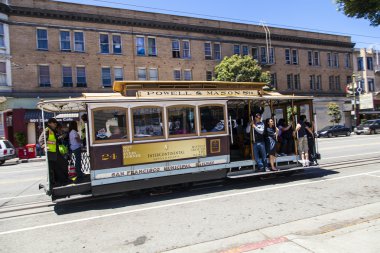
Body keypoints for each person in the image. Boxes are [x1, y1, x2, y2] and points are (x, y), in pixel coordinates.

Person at [38, 118, 69, 188]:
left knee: (58, 167)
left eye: (56, 123)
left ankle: (60, 181)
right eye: (54, 123)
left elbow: (54, 141)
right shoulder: (47, 130)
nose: (55, 124)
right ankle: (52, 183)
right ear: (49, 123)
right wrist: (44, 146)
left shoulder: (52, 131)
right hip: (50, 153)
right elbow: (41, 140)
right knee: (51, 169)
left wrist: (60, 137)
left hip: (54, 152)